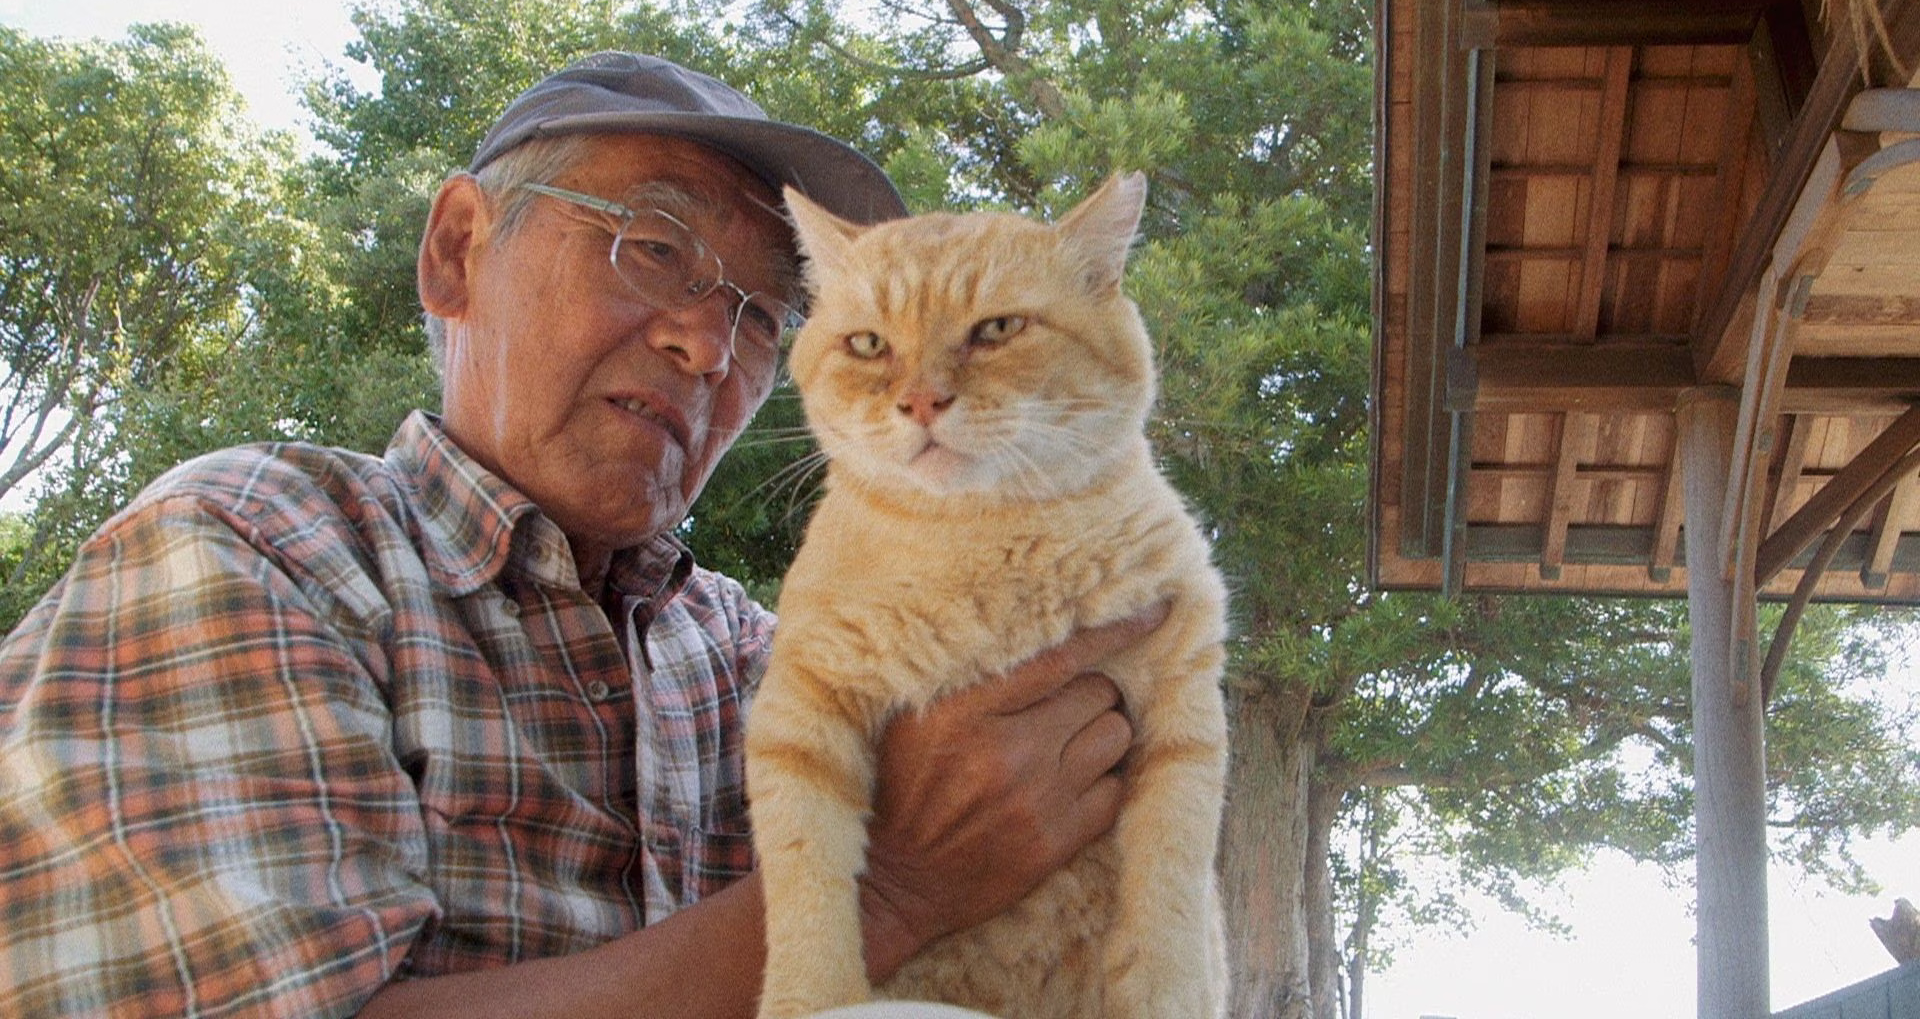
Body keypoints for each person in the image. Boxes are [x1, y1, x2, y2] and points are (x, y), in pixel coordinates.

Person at [0, 52, 1149, 1018]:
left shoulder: (752, 654)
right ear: (457, 250)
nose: (708, 347)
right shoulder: (255, 547)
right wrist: (879, 887)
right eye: (654, 249)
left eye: (768, 316)